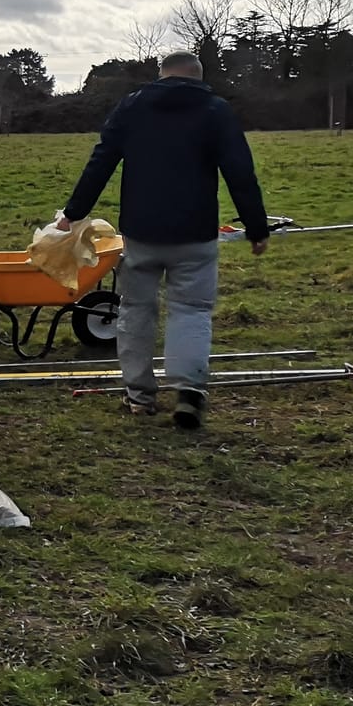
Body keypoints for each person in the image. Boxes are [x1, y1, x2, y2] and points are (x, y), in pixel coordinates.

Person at [57, 51, 271, 430]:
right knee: (191, 310)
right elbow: (240, 171)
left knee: (137, 310)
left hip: (141, 231)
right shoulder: (215, 110)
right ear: (198, 76)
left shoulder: (133, 107)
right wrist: (256, 228)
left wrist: (73, 213)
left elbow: (101, 160)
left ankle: (139, 397)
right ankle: (189, 392)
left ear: (162, 75)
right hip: (195, 232)